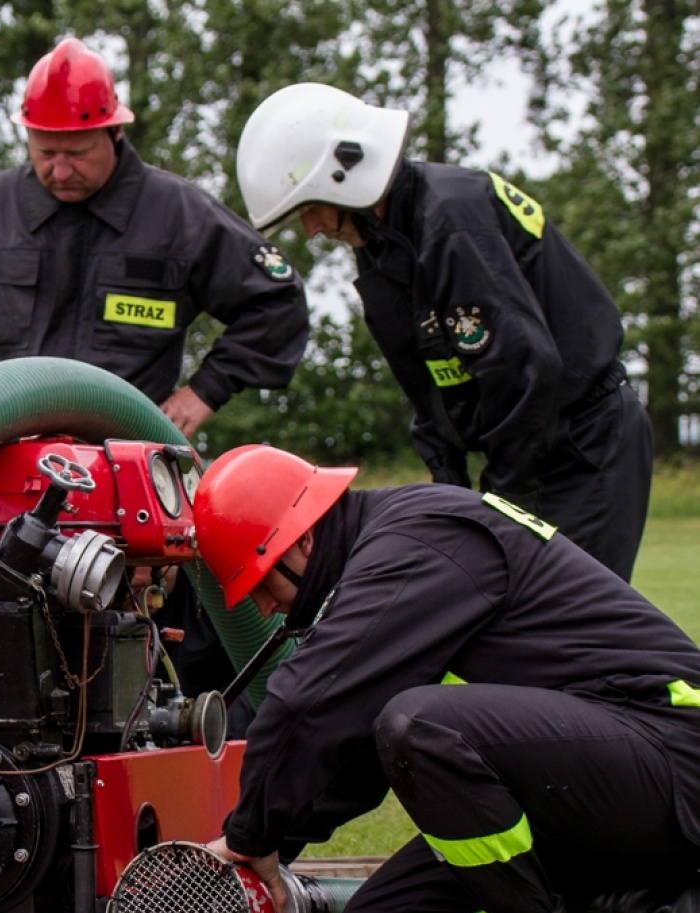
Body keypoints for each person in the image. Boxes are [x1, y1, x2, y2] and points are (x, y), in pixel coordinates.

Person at [193, 443, 700, 913]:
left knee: (423, 725)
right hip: (591, 784)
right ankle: (663, 910)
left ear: (302, 540)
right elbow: (349, 755)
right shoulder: (390, 560)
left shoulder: (423, 536)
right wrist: (257, 859)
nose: (263, 607)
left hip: (671, 751)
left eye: (257, 582)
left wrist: (248, 832)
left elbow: (308, 701)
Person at [236, 83, 654, 581]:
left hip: (585, 441)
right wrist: (449, 482)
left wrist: (504, 502)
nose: (311, 229)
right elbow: (427, 381)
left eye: (309, 209)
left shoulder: (451, 217)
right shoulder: (381, 249)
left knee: (574, 622)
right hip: (527, 441)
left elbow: (523, 368)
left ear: (342, 175)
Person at [0, 37, 309, 438]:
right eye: (44, 152)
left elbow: (277, 301)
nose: (60, 170)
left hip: (130, 458)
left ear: (114, 133)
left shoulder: (178, 214)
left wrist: (204, 393)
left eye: (77, 153)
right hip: (10, 458)